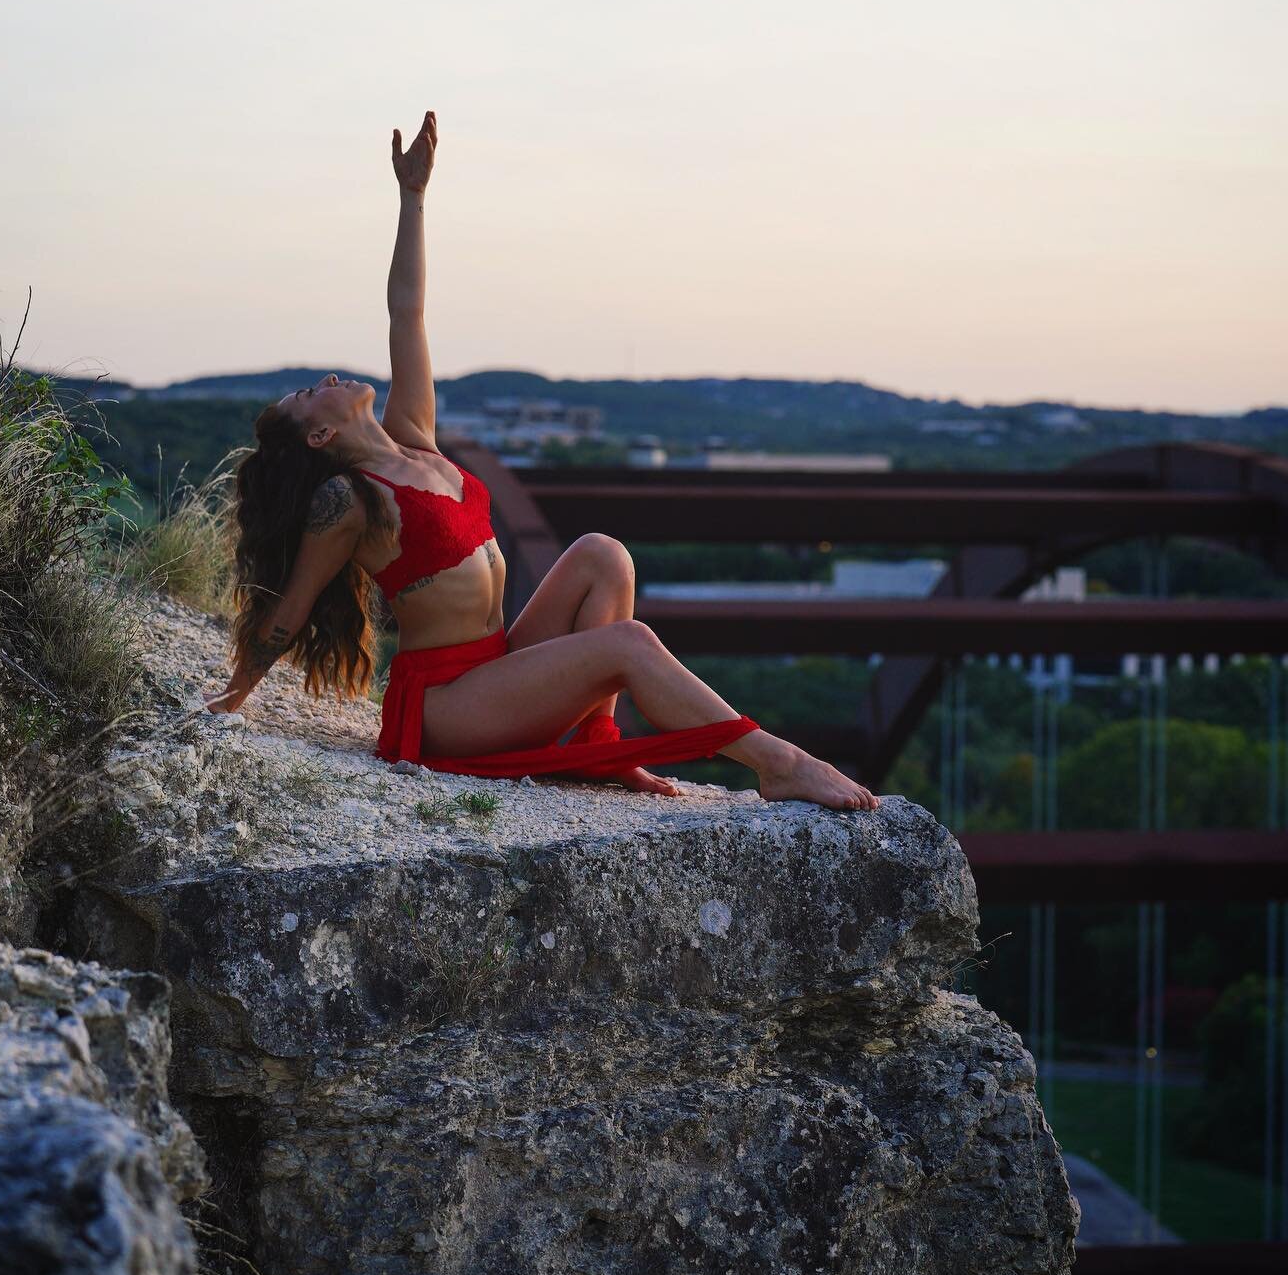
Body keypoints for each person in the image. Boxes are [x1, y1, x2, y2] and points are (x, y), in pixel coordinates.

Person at [206, 112, 879, 810]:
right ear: (318, 437)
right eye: (308, 395)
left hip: (497, 670)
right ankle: (779, 761)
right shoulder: (349, 501)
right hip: (449, 707)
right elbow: (290, 612)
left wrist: (413, 199)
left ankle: (594, 748)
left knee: (603, 555)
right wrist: (232, 698)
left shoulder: (414, 436)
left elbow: (407, 314)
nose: (326, 380)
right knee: (630, 643)